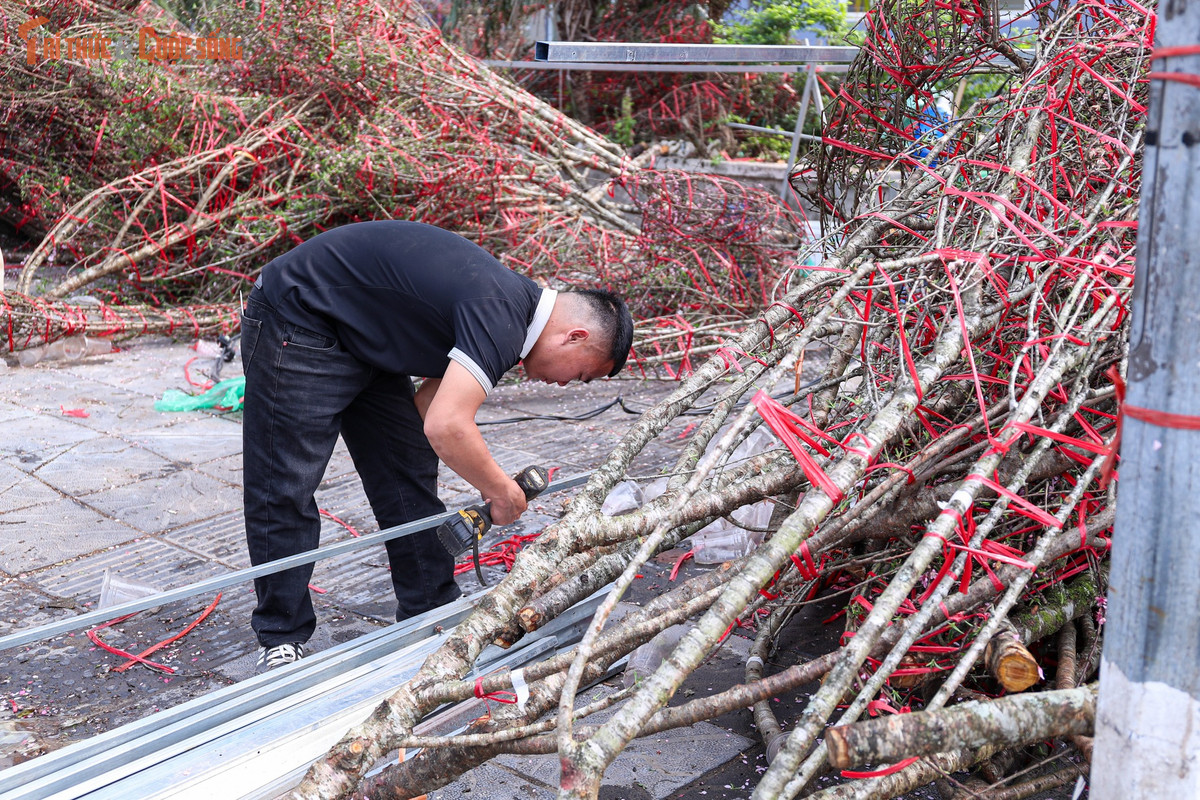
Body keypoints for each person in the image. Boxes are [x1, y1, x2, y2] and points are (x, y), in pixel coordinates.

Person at [240, 220, 633, 673]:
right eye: (580, 374)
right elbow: (447, 426)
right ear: (575, 337)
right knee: (285, 482)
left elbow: (429, 404)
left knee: (406, 471)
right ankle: (281, 637)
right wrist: (501, 491)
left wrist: (488, 477)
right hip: (300, 318)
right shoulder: (502, 315)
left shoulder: (509, 311)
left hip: (366, 333)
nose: (565, 383)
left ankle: (431, 609)